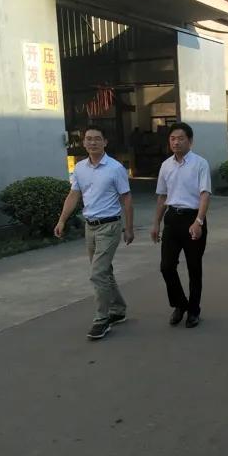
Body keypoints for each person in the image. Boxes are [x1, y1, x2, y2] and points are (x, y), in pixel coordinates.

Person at [54, 126, 134, 340]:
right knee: (104, 271)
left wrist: (129, 228)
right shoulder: (80, 168)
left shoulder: (115, 168)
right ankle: (118, 309)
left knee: (97, 273)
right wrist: (62, 220)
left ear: (105, 142)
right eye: (88, 139)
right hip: (90, 226)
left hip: (110, 226)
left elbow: (126, 198)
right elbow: (74, 195)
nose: (92, 142)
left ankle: (102, 319)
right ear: (84, 143)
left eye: (97, 139)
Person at [151, 123, 211, 328]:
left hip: (193, 218)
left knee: (194, 267)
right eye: (172, 139)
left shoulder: (200, 164)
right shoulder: (166, 165)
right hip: (172, 219)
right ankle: (180, 304)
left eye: (180, 138)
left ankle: (193, 310)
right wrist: (156, 223)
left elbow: (205, 194)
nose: (176, 142)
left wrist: (199, 221)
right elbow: (162, 196)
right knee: (166, 267)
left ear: (190, 141)